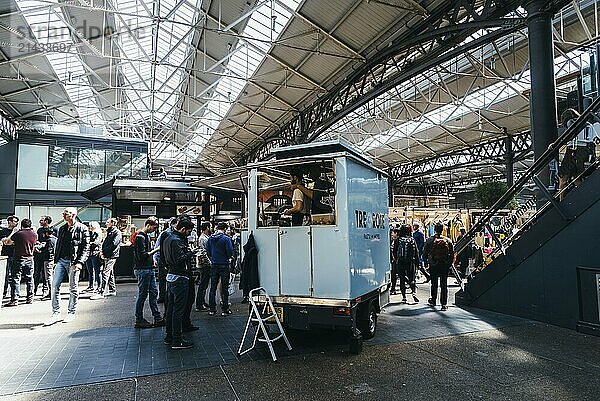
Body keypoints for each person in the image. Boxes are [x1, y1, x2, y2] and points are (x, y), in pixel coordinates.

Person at [45, 208, 90, 325]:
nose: (64, 215)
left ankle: (71, 312)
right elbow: (59, 245)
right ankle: (56, 313)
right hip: (61, 261)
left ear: (73, 215)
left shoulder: (82, 228)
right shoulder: (62, 228)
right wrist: (55, 260)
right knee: (54, 286)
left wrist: (80, 262)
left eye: (66, 213)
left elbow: (86, 247)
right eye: (63, 213)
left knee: (73, 288)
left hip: (73, 262)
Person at [163, 218, 196, 350]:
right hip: (179, 278)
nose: (189, 233)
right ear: (183, 229)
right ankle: (177, 340)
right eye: (189, 231)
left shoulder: (167, 239)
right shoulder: (176, 241)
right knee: (178, 310)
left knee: (171, 309)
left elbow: (165, 259)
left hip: (171, 277)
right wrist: (190, 253)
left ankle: (169, 336)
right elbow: (179, 260)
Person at [132, 217, 164, 328]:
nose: (154, 230)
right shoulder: (140, 237)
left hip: (147, 268)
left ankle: (157, 317)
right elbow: (142, 256)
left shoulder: (144, 236)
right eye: (154, 228)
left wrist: (152, 260)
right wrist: (156, 250)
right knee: (143, 294)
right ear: (148, 225)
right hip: (143, 269)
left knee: (153, 293)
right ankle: (139, 319)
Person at [5, 218, 38, 306]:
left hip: (19, 258)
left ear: (22, 225)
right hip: (30, 259)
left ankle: (15, 299)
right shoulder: (34, 234)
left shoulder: (18, 234)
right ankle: (30, 298)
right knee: (30, 279)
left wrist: (13, 232)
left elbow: (8, 242)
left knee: (16, 279)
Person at [422, 222, 454, 311]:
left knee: (434, 284)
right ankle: (444, 304)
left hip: (433, 265)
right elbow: (452, 254)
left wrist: (426, 263)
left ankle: (433, 300)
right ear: (443, 230)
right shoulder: (448, 240)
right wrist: (449, 264)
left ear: (434, 229)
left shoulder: (429, 240)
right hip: (444, 265)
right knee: (444, 285)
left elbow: (424, 253)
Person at [206, 221, 234, 316]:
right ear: (225, 229)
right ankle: (224, 309)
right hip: (224, 264)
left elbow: (208, 251)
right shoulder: (226, 239)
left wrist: (213, 258)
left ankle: (212, 309)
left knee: (212, 288)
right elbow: (230, 251)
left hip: (214, 264)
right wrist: (228, 257)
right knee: (225, 287)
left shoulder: (210, 239)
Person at [91, 218, 121, 300]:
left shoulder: (116, 232)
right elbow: (105, 243)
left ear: (113, 223)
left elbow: (113, 244)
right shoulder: (109, 231)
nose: (106, 223)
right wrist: (102, 252)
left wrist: (103, 251)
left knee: (105, 273)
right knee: (110, 273)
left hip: (111, 255)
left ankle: (101, 292)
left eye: (108, 222)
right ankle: (112, 290)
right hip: (108, 254)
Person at [154, 218, 177, 304]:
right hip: (164, 259)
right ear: (173, 224)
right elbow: (158, 245)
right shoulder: (166, 233)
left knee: (164, 278)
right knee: (163, 278)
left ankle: (165, 296)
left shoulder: (168, 233)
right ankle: (163, 296)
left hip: (164, 258)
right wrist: (155, 257)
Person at [396, 224, 419, 304]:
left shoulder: (398, 240)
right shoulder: (412, 239)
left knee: (402, 279)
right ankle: (413, 292)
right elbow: (416, 252)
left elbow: (395, 251)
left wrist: (396, 260)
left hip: (401, 262)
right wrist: (417, 263)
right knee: (412, 278)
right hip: (410, 262)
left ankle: (404, 297)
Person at [195, 222, 212, 311]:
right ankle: (199, 304)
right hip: (204, 264)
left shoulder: (205, 238)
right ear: (207, 228)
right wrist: (210, 263)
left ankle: (202, 301)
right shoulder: (203, 238)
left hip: (204, 264)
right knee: (203, 284)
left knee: (204, 284)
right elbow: (203, 253)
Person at [1, 215, 19, 300]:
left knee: (14, 276)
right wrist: (12, 233)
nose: (16, 223)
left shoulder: (18, 232)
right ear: (10, 222)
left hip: (15, 255)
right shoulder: (4, 231)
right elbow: (4, 241)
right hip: (6, 255)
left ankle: (14, 294)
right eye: (15, 221)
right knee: (6, 275)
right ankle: (3, 292)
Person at [33, 216, 52, 296]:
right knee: (37, 272)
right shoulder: (39, 230)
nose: (40, 221)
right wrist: (37, 243)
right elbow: (37, 240)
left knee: (46, 274)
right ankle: (34, 289)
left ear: (46, 221)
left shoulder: (53, 230)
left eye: (42, 220)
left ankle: (45, 289)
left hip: (47, 255)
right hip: (39, 254)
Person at [83, 221, 103, 293]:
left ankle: (99, 286)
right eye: (89, 226)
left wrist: (88, 243)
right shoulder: (88, 233)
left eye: (91, 226)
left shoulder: (98, 233)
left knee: (97, 271)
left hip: (95, 254)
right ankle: (91, 286)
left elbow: (96, 242)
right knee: (90, 271)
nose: (90, 227)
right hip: (88, 254)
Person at [39, 228, 56, 301]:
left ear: (46, 233)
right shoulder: (55, 239)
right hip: (54, 259)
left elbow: (48, 250)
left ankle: (51, 293)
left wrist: (41, 250)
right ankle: (52, 292)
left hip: (48, 260)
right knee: (51, 276)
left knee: (48, 277)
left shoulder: (49, 240)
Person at [390, 228, 399, 295]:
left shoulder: (397, 241)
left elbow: (395, 251)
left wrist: (394, 259)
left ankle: (393, 288)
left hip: (396, 261)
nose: (392, 234)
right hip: (395, 261)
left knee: (394, 274)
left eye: (393, 233)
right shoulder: (393, 240)